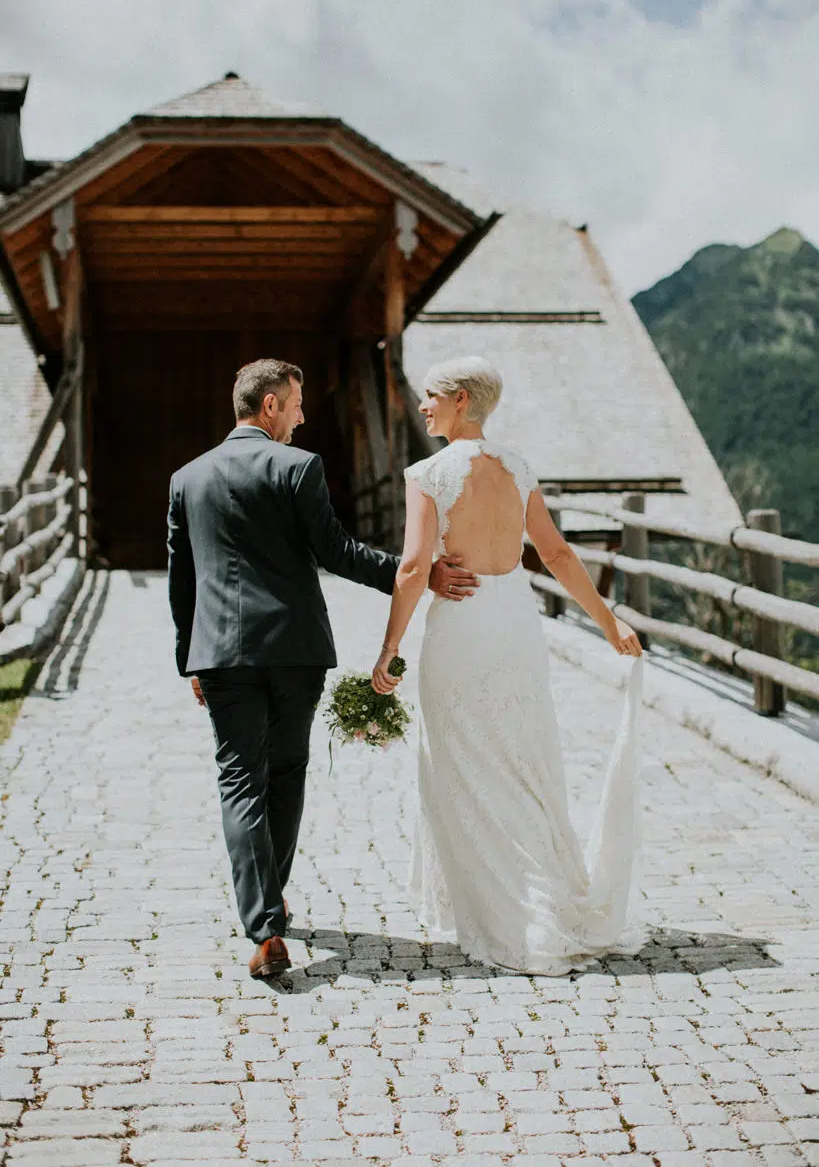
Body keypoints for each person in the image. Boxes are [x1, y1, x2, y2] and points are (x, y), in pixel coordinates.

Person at [168, 358, 478, 980]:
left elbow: (183, 578)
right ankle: (271, 906)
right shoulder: (297, 467)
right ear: (270, 405)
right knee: (286, 773)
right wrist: (416, 574)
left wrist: (189, 659)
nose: (303, 416)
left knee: (240, 781)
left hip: (221, 653)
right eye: (297, 403)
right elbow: (336, 551)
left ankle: (264, 927)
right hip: (296, 649)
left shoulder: (186, 478)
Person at [372, 356, 646, 975]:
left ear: (462, 399)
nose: (423, 406)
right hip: (517, 624)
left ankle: (504, 913)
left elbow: (413, 567)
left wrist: (389, 647)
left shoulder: (429, 474)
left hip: (463, 627)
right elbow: (556, 553)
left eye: (432, 396)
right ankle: (542, 895)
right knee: (522, 759)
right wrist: (610, 623)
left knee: (463, 762)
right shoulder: (518, 467)